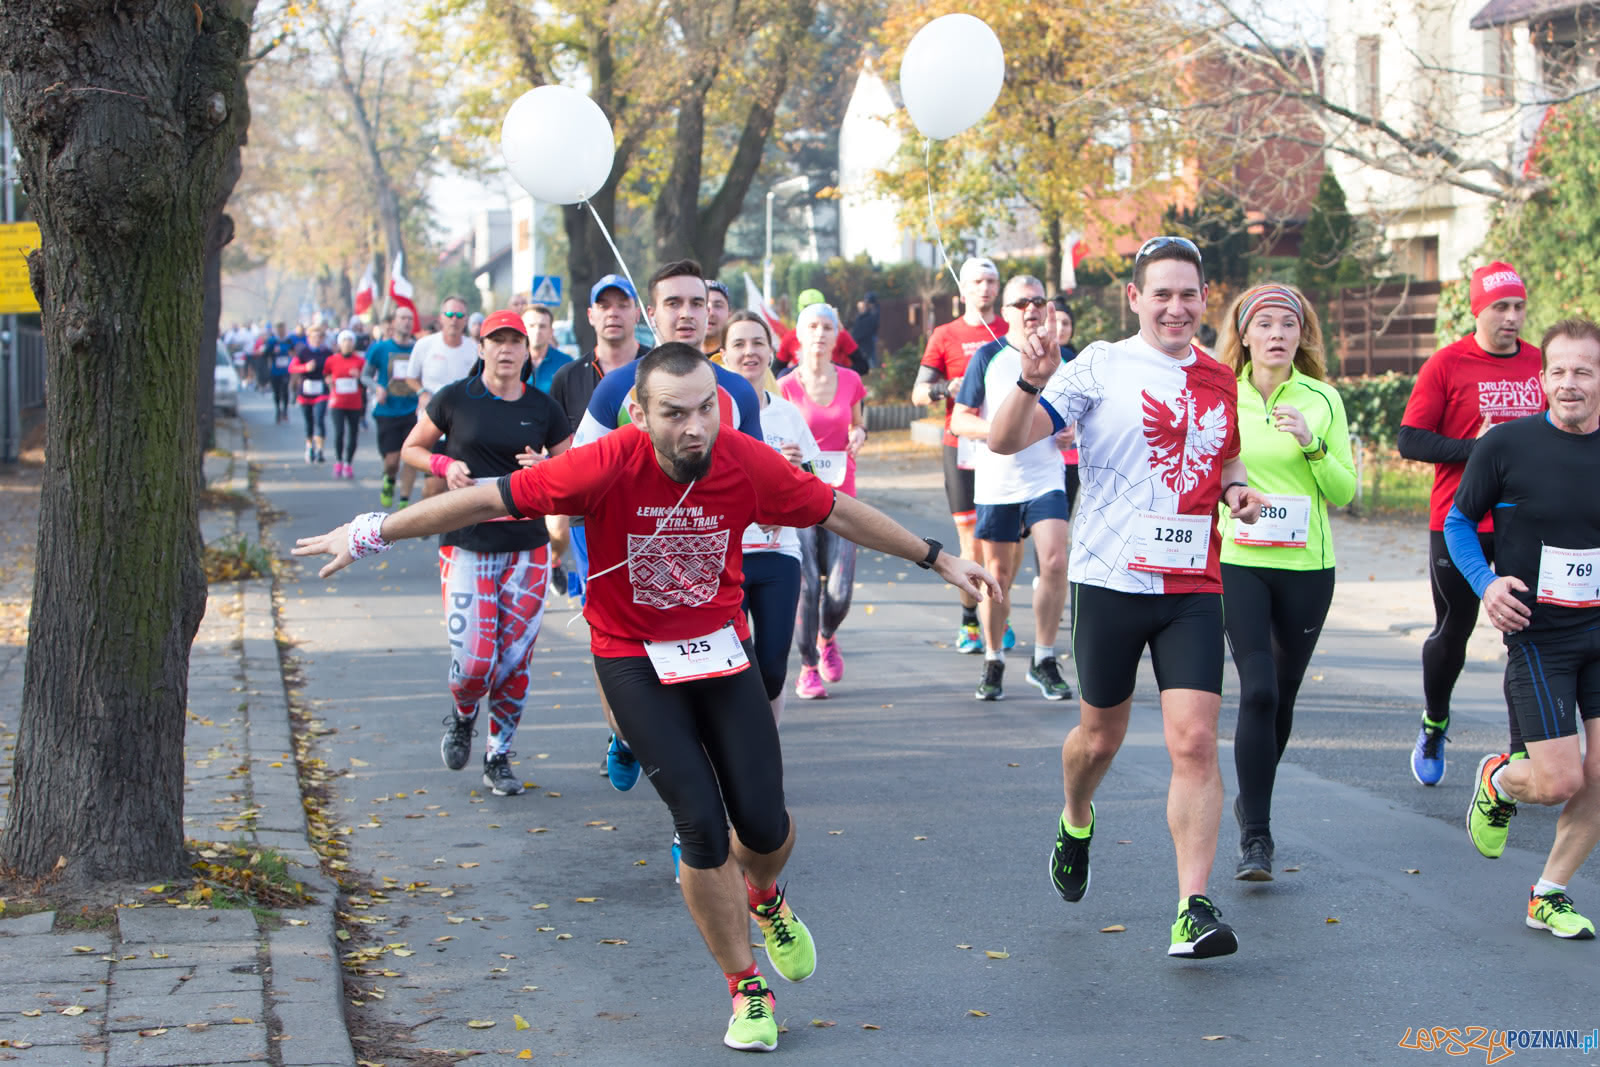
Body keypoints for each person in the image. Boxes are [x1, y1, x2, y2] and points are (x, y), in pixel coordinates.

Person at [294, 343, 1001, 1053]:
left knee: (762, 824)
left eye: (706, 409)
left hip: (720, 653)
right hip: (632, 658)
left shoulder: (743, 461)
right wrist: (368, 531)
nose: (696, 427)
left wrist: (939, 557)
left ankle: (765, 895)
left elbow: (834, 510)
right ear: (638, 412)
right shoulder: (604, 464)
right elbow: (484, 497)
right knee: (699, 822)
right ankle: (746, 987)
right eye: (675, 413)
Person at [988, 235, 1269, 960]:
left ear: (1206, 300)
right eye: (1162, 293)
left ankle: (1193, 906)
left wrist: (1236, 488)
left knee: (1196, 740)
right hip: (1109, 579)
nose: (1176, 307)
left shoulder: (1219, 377)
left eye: (1188, 293)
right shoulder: (1097, 366)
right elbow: (1004, 442)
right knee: (1099, 739)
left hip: (1192, 583)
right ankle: (1076, 815)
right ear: (1135, 298)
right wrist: (1029, 379)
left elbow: (1225, 451)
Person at [1453, 318, 1600, 941]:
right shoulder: (1506, 445)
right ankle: (1498, 778)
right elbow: (1459, 523)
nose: (1569, 384)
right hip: (1542, 635)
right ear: (1543, 380)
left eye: (1584, 372)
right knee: (1559, 779)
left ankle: (1549, 893)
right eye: (1559, 371)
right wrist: (1487, 583)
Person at [397, 310, 571, 795]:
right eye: (497, 340)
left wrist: (546, 466)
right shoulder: (457, 398)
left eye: (516, 340)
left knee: (514, 659)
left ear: (526, 350)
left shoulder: (543, 406)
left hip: (527, 548)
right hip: (466, 543)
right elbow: (413, 447)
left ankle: (499, 756)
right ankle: (463, 713)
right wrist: (443, 463)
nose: (507, 349)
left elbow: (573, 464)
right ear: (482, 348)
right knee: (475, 662)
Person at [1215, 283, 1356, 880]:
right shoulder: (1222, 395)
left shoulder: (1322, 398)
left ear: (1303, 336)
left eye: (1289, 325)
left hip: (1307, 567)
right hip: (1240, 560)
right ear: (1244, 334)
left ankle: (1255, 797)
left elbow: (1345, 493)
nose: (1277, 334)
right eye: (1265, 324)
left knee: (1285, 697)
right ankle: (1257, 838)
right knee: (1260, 691)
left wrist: (1312, 443)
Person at [1399, 261, 1545, 786]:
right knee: (1453, 632)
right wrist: (1477, 450)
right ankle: (1435, 721)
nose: (1511, 318)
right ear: (1477, 310)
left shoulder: (1540, 363)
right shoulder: (1446, 364)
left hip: (1523, 521)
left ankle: (1518, 754)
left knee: (1525, 635)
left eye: (1518, 307)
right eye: (1500, 308)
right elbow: (1410, 439)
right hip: (1457, 518)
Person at [950, 275, 1072, 702]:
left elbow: (1075, 415)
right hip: (997, 483)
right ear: (1005, 313)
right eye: (1021, 302)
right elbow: (958, 420)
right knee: (998, 576)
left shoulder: (1063, 356)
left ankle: (1043, 658)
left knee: (1055, 561)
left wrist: (1068, 432)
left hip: (1045, 479)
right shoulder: (988, 356)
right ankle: (993, 658)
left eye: (1039, 300)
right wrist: (1004, 430)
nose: (1032, 308)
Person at [724, 310, 818, 722]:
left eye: (757, 343)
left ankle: (764, 752)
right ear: (723, 355)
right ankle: (734, 755)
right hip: (726, 556)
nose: (749, 352)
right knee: (729, 669)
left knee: (773, 669)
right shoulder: (711, 414)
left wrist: (796, 474)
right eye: (739, 344)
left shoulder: (787, 413)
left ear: (771, 351)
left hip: (780, 555)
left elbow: (814, 491)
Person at [914, 256, 1010, 654]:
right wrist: (945, 390)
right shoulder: (945, 334)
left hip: (1007, 445)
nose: (984, 288)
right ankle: (971, 619)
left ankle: (997, 618)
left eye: (991, 281)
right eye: (977, 282)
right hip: (962, 446)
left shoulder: (1011, 328)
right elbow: (918, 394)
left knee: (1003, 546)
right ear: (963, 290)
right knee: (969, 540)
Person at [779, 303, 866, 700]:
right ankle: (808, 667)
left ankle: (827, 635)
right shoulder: (785, 386)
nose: (819, 333)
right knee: (808, 585)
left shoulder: (850, 380)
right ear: (799, 333)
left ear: (837, 335)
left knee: (840, 590)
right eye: (811, 326)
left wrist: (860, 435)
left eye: (827, 327)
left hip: (840, 493)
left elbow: (857, 424)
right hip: (798, 495)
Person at [549, 275, 644, 435]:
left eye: (622, 305)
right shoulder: (567, 378)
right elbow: (554, 443)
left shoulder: (659, 367)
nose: (613, 313)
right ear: (590, 315)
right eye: (603, 306)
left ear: (637, 314)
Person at [409, 296, 479, 500]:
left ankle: (450, 529)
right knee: (435, 487)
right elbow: (411, 377)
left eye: (459, 315)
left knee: (460, 484)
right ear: (441, 318)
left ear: (466, 320)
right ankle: (427, 514)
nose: (454, 319)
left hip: (464, 425)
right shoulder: (425, 345)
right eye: (449, 314)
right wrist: (422, 392)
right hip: (433, 424)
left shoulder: (475, 348)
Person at [364, 306, 420, 509]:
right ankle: (389, 479)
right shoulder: (381, 348)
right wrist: (377, 387)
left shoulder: (418, 348)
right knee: (392, 461)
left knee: (411, 458)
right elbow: (365, 375)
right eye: (402, 318)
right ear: (394, 322)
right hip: (387, 411)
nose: (406, 322)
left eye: (409, 318)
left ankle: (405, 499)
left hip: (413, 411)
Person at [774, 288, 866, 376]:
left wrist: (839, 375)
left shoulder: (839, 333)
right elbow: (776, 370)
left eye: (817, 306)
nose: (819, 334)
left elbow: (862, 365)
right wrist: (794, 378)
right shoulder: (790, 337)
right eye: (807, 307)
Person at [288, 324, 333, 464]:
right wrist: (305, 367)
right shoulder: (303, 352)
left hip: (321, 390)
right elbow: (292, 367)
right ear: (308, 338)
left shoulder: (327, 352)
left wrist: (331, 377)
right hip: (306, 390)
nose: (317, 339)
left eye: (320, 337)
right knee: (309, 421)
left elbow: (333, 368)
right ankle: (309, 447)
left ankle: (320, 450)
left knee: (319, 419)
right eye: (314, 337)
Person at [324, 329, 366, 479]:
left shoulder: (360, 361)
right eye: (344, 340)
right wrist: (328, 381)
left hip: (354, 403)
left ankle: (348, 463)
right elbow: (326, 375)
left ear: (353, 344)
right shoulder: (332, 360)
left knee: (353, 433)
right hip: (337, 403)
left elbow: (366, 381)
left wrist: (360, 376)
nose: (347, 343)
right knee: (339, 432)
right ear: (339, 343)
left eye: (350, 341)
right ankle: (339, 461)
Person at [522, 304, 574, 395]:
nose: (537, 331)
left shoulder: (566, 364)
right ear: (523, 329)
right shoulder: (512, 362)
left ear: (551, 332)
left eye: (542, 326)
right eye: (531, 326)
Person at [264, 321, 297, 421]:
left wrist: (291, 356)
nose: (281, 331)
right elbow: (265, 354)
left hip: (286, 370)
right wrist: (273, 352)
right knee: (277, 392)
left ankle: (285, 411)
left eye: (283, 329)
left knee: (285, 390)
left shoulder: (289, 341)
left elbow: (294, 352)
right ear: (277, 330)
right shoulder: (272, 341)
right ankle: (278, 410)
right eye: (279, 329)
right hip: (275, 370)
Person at [850, 293, 880, 370]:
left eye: (866, 302)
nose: (865, 304)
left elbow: (859, 332)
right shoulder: (869, 314)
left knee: (869, 366)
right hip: (865, 346)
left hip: (866, 347)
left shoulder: (872, 315)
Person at [703, 279, 732, 358]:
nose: (710, 312)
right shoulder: (675, 356)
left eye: (718, 305)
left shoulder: (737, 358)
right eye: (702, 304)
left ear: (729, 315)